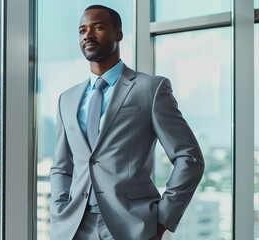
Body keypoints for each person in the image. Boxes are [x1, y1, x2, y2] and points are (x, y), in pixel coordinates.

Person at [49, 4, 205, 240]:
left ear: (118, 34)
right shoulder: (67, 99)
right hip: (74, 226)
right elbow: (62, 166)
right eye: (82, 31)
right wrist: (59, 211)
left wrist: (163, 218)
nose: (88, 35)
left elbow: (189, 157)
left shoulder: (150, 89)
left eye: (98, 27)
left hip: (132, 226)